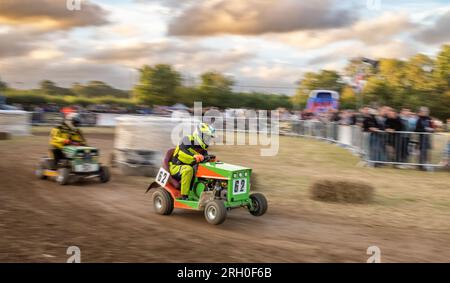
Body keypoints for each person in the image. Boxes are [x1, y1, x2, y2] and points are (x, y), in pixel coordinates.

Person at [170, 123, 216, 200]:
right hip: (176, 167)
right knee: (188, 170)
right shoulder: (186, 140)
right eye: (206, 137)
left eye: (209, 138)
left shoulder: (202, 149)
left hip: (190, 168)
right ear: (199, 135)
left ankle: (207, 191)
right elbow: (181, 154)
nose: (208, 140)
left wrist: (210, 161)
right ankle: (184, 196)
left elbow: (204, 159)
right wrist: (193, 157)